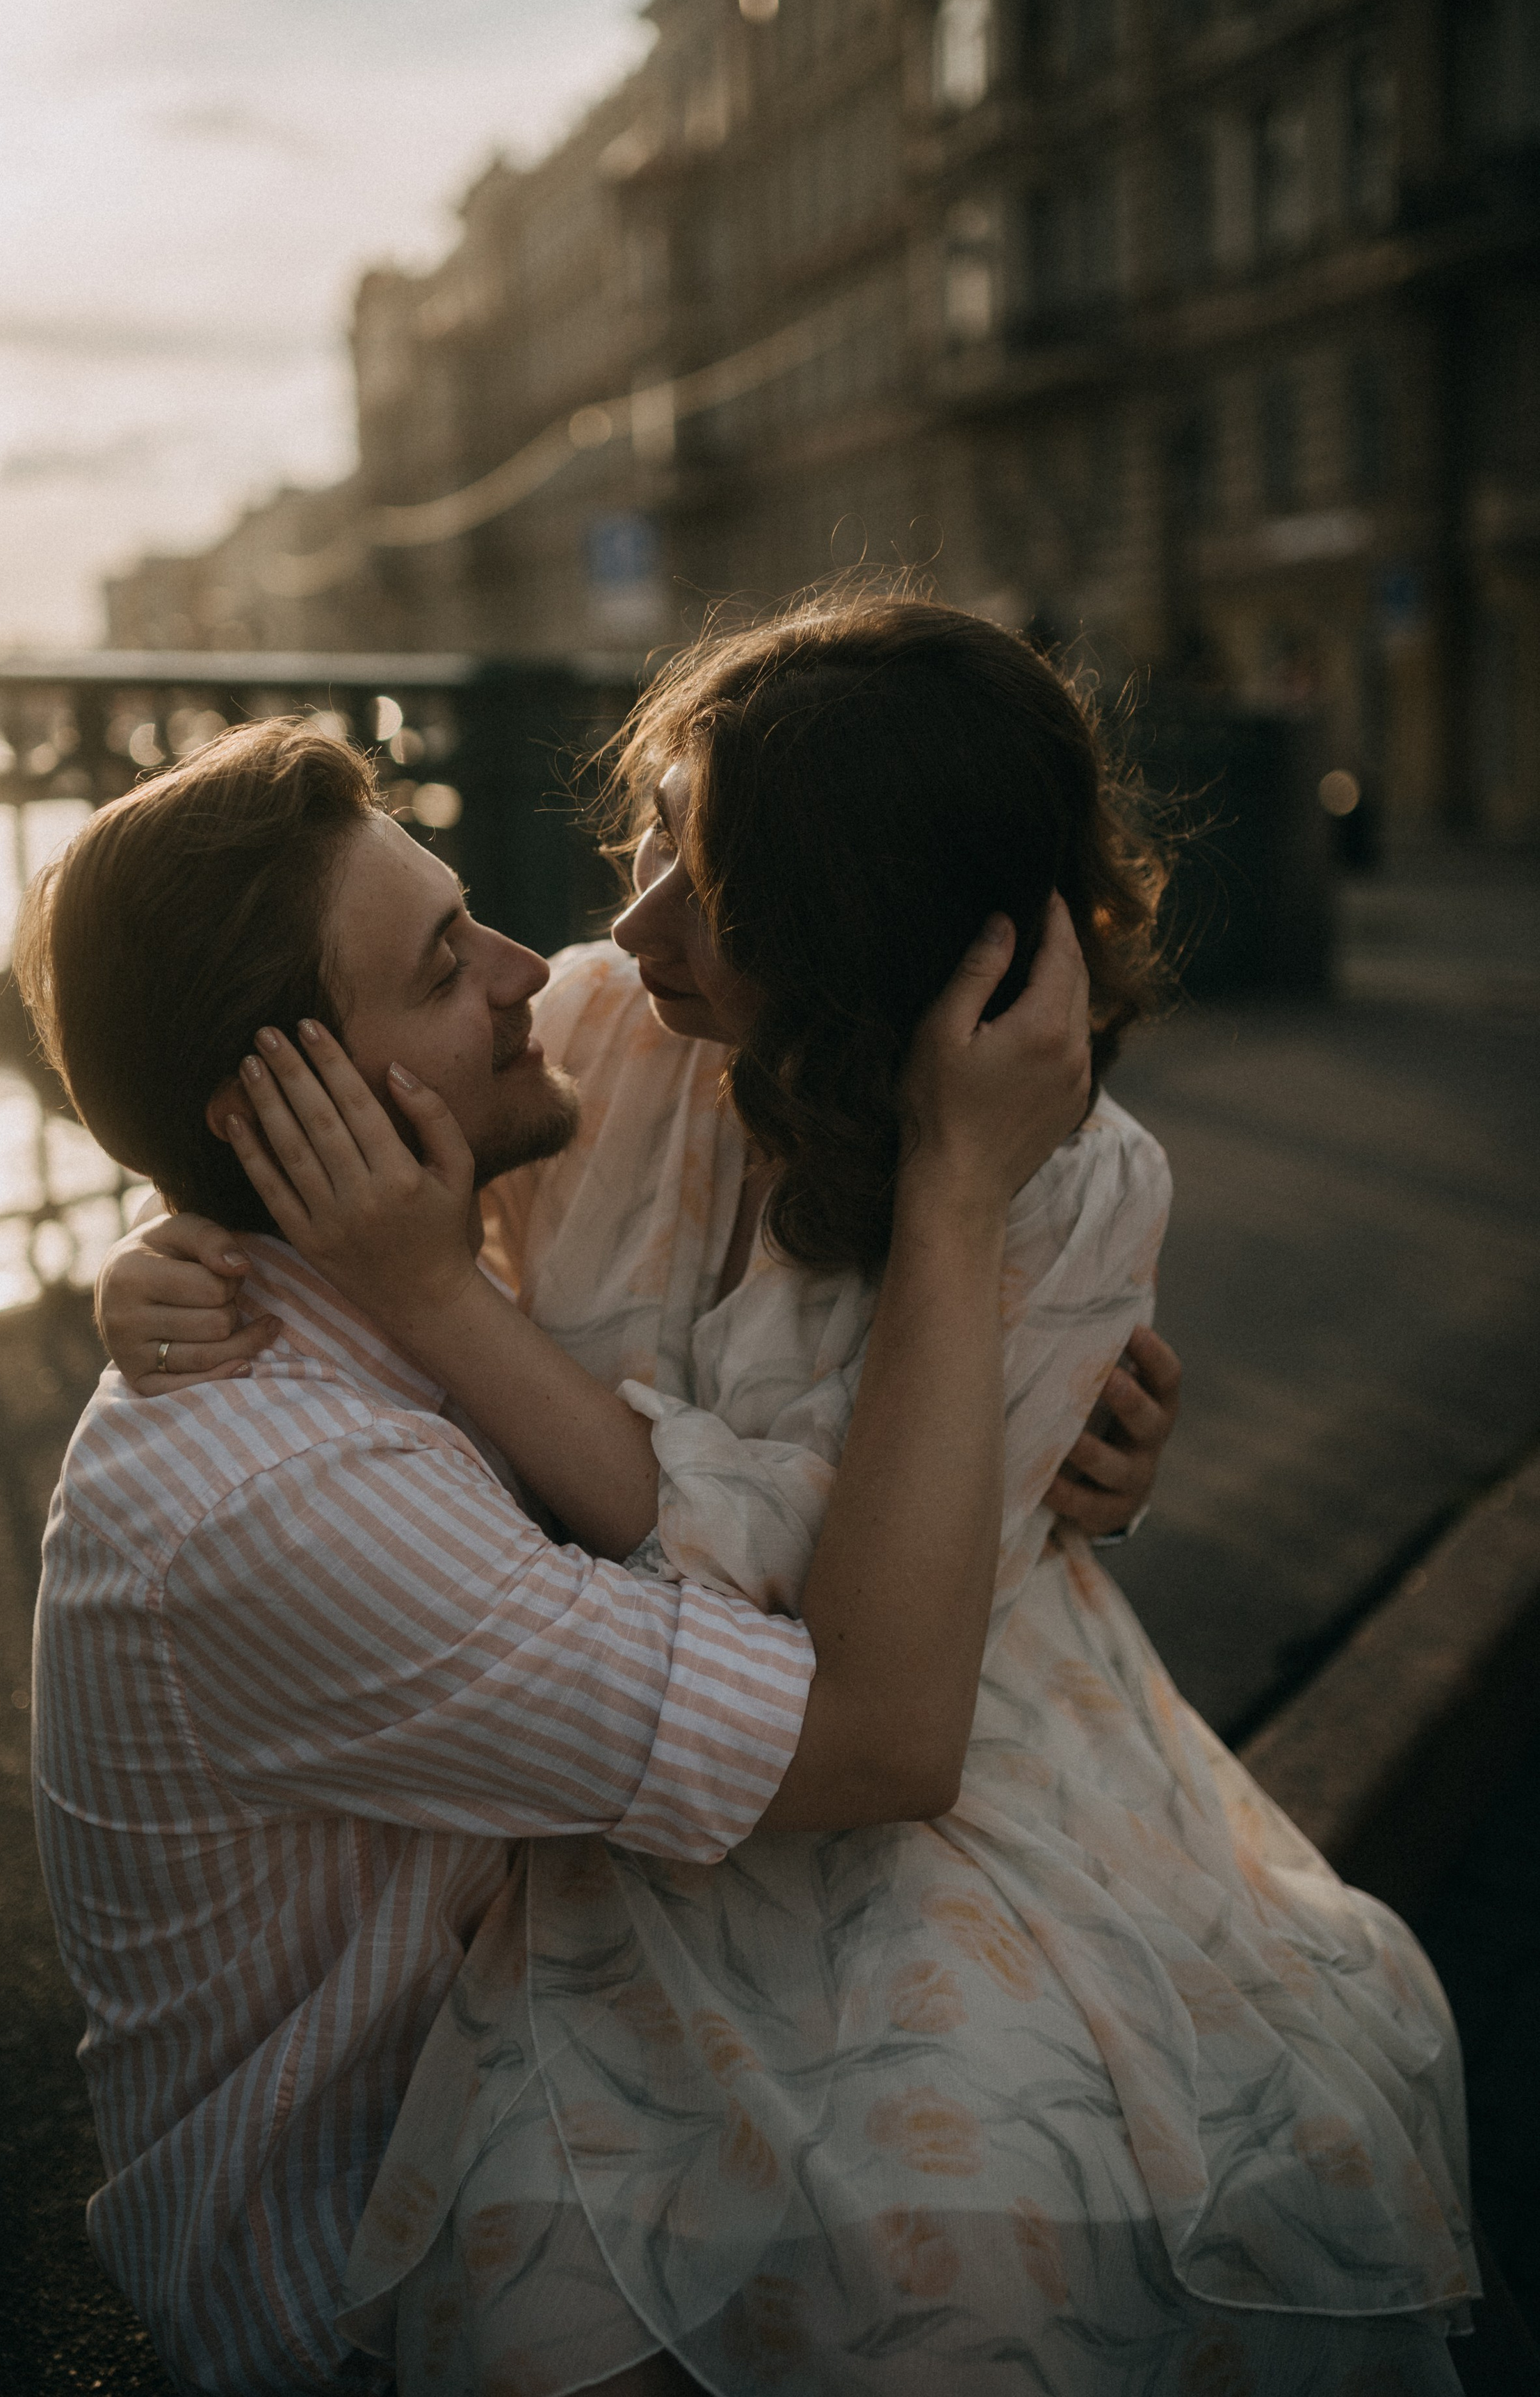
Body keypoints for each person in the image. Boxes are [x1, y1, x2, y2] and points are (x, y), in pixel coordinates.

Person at [100, 599, 1475, 2394]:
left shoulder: (1072, 1191)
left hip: (948, 1761)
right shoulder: (608, 1033)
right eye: (656, 839)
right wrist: (169, 1239)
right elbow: (341, 1141)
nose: (623, 922)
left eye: (714, 885)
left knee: (985, 2234)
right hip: (675, 1762)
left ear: (859, 928)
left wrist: (952, 1210)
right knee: (571, 2280)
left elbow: (852, 1659)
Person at [17, 691, 1129, 2397]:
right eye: (447, 959)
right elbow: (875, 1738)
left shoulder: (376, 1321)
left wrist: (1055, 1410)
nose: (541, 965)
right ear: (295, 1103)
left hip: (566, 2070)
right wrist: (961, 1201)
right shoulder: (297, 1494)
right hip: (362, 2275)